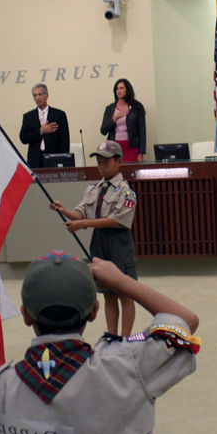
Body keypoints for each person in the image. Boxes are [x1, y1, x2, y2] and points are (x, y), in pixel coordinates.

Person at [0, 252, 199, 434]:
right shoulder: (127, 365)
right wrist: (122, 281)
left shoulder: (4, 389)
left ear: (26, 316)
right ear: (95, 311)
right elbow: (185, 321)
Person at [48, 140, 138, 335]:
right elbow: (81, 215)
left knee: (125, 293)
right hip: (99, 242)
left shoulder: (126, 190)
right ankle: (112, 335)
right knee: (108, 294)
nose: (102, 166)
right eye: (99, 162)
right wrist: (64, 210)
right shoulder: (93, 189)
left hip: (118, 243)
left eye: (106, 161)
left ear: (119, 161)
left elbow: (116, 220)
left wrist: (84, 224)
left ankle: (125, 338)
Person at [20, 83, 70, 168]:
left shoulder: (59, 115)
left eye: (40, 94)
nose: (37, 98)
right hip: (35, 159)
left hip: (54, 157)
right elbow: (23, 138)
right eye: (35, 95)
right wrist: (40, 131)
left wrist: (63, 160)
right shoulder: (28, 116)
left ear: (47, 96)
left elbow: (65, 140)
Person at [99, 78, 147, 162]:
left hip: (132, 148)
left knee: (130, 172)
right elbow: (103, 130)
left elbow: (142, 131)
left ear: (127, 90)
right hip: (114, 149)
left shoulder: (137, 107)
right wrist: (116, 117)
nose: (119, 91)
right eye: (117, 89)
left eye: (121, 88)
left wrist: (141, 153)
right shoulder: (110, 109)